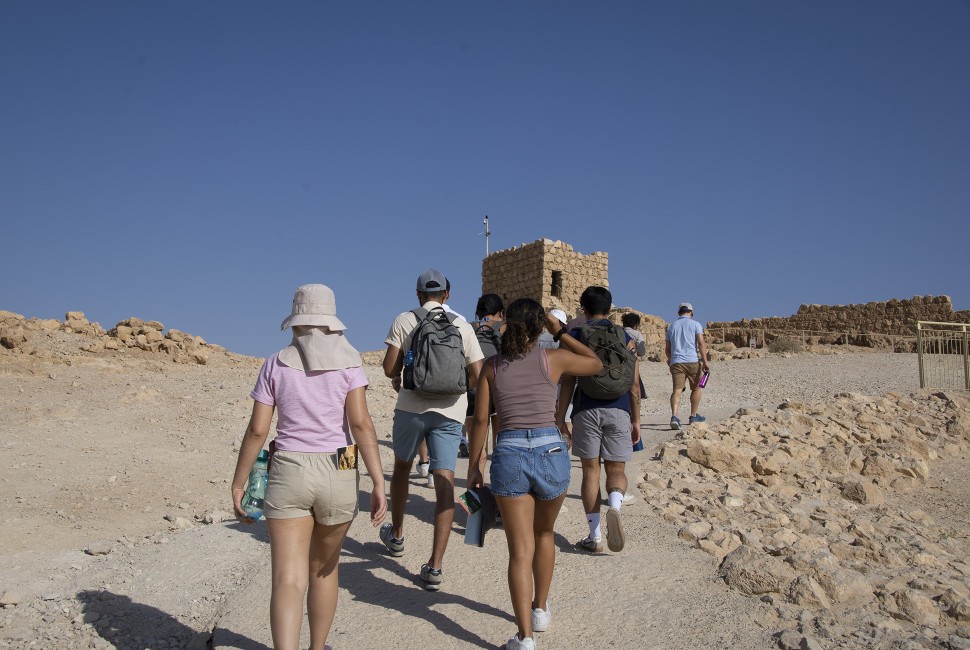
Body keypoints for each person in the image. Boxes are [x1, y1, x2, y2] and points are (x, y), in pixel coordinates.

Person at [231, 284, 386, 650]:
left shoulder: (274, 363)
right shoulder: (350, 363)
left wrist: (239, 483)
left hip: (288, 467)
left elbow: (257, 430)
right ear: (332, 323)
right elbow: (361, 424)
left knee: (287, 578)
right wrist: (378, 481)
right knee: (324, 568)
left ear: (296, 323)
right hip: (340, 465)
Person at [467, 298, 602, 650]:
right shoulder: (552, 358)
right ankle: (540, 608)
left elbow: (482, 420)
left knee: (518, 550)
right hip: (550, 451)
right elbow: (595, 362)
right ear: (540, 327)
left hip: (509, 453)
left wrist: (474, 469)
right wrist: (562, 332)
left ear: (508, 325)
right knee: (544, 534)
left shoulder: (493, 367)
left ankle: (525, 637)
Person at [381, 269, 484, 590]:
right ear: (447, 295)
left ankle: (396, 535)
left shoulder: (404, 320)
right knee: (445, 480)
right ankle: (435, 566)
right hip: (450, 413)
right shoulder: (461, 325)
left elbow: (388, 368)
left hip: (411, 407)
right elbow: (478, 374)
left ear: (417, 295)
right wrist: (455, 388)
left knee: (401, 468)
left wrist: (404, 374)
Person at [556, 286, 640, 555]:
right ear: (610, 308)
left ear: (583, 308)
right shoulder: (625, 336)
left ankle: (595, 536)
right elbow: (634, 384)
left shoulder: (576, 335)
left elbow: (568, 379)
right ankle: (614, 506)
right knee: (616, 470)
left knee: (590, 471)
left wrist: (560, 417)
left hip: (586, 409)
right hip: (620, 409)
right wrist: (636, 420)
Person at [665, 302, 710, 430]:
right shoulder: (696, 324)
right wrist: (705, 362)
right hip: (692, 361)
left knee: (677, 390)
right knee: (696, 388)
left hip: (677, 362)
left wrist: (670, 359)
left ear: (679, 313)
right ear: (691, 312)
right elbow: (701, 344)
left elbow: (667, 349)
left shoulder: (671, 327)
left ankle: (674, 416)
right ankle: (693, 416)